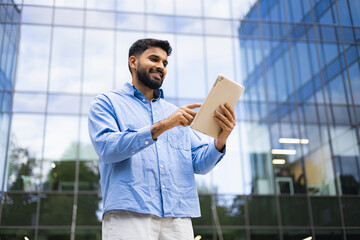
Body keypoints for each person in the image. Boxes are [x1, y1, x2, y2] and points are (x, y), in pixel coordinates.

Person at [88, 38, 236, 240]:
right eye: (154, 59)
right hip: (129, 213)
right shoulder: (107, 103)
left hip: (178, 217)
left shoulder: (175, 113)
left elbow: (199, 162)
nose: (160, 66)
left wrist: (220, 141)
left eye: (164, 63)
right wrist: (163, 126)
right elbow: (107, 148)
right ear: (133, 62)